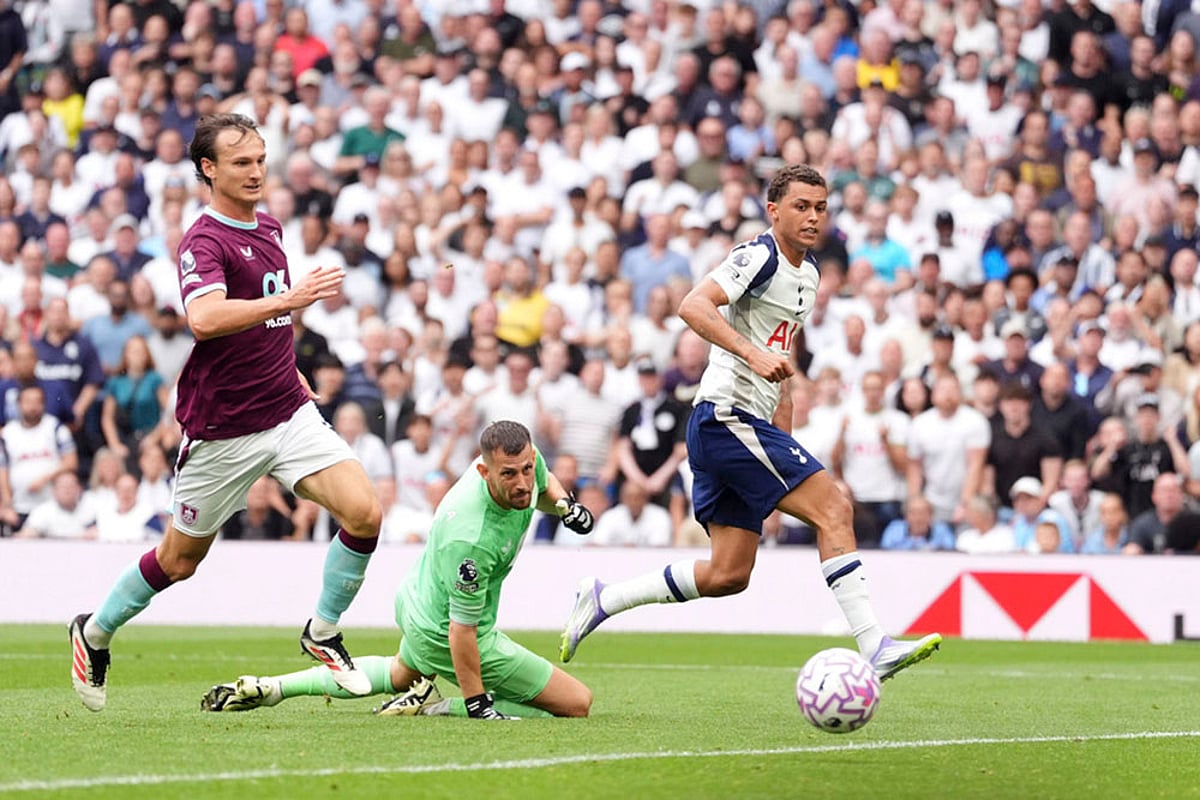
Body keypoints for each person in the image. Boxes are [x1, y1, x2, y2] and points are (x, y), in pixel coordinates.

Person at [559, 164, 942, 679]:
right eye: (802, 206)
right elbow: (693, 306)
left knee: (728, 573)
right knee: (835, 508)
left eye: (820, 207)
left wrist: (782, 439)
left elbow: (780, 362)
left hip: (745, 425)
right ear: (774, 210)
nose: (812, 217)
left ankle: (604, 598)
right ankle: (874, 644)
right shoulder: (757, 254)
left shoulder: (809, 274)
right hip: (723, 417)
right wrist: (752, 356)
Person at [70, 114, 385, 713]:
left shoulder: (269, 225)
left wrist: (285, 360)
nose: (256, 172)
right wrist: (290, 300)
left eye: (262, 160)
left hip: (286, 412)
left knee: (365, 511)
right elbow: (206, 319)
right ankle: (94, 631)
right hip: (223, 432)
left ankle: (322, 631)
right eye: (242, 163)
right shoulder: (203, 241)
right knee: (178, 561)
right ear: (208, 169)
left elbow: (264, 321)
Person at [201, 420, 596, 720]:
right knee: (576, 703)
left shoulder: (521, 459)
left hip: (417, 602)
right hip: (445, 631)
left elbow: (544, 483)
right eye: (510, 474)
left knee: (398, 673)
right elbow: (462, 633)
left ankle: (272, 688)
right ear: (484, 471)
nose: (524, 483)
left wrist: (565, 506)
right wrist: (475, 705)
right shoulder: (470, 540)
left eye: (526, 468)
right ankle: (437, 707)